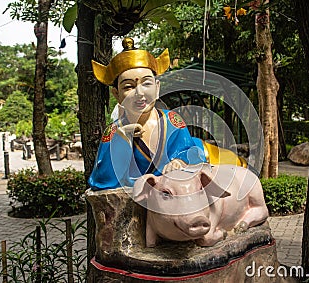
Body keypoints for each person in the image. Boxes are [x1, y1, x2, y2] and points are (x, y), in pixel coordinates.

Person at [88, 38, 246, 190]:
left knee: (235, 171)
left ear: (157, 88)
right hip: (156, 194)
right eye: (128, 87)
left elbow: (189, 150)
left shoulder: (171, 120)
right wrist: (121, 141)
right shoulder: (114, 132)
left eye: (147, 83)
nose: (139, 93)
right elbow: (102, 180)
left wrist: (180, 161)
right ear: (116, 94)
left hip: (204, 158)